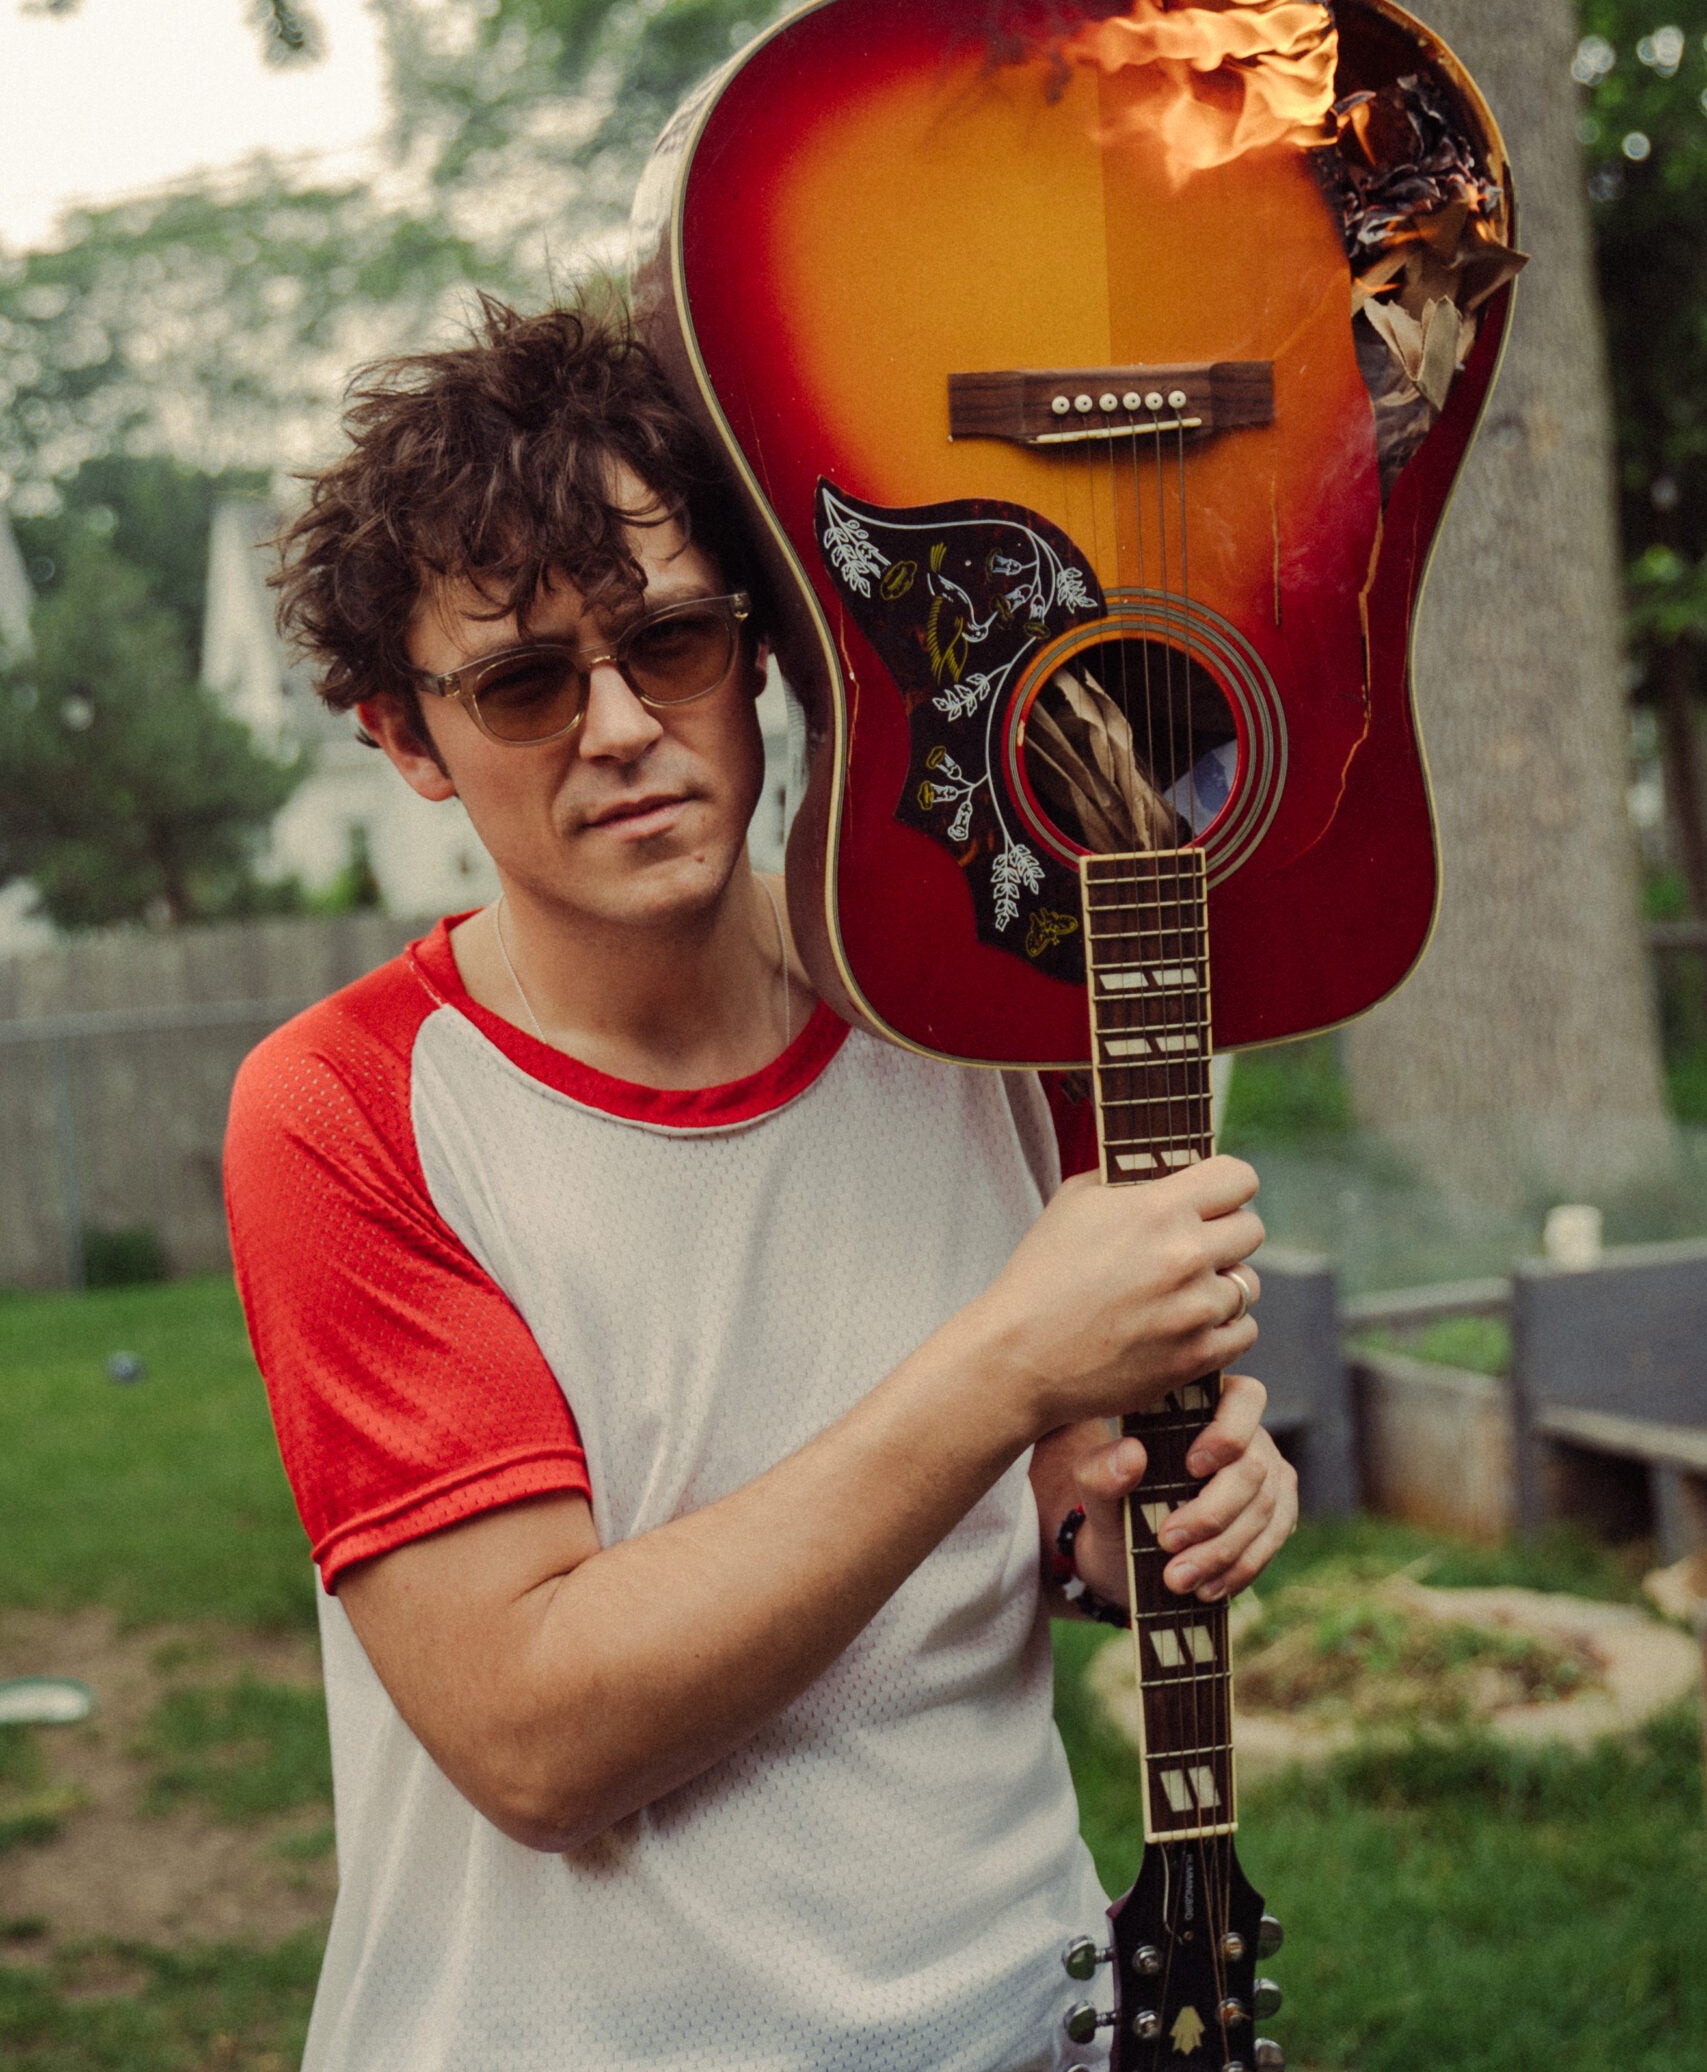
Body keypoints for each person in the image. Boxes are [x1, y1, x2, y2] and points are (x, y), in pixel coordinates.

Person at [225, 298, 1297, 2072]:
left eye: (674, 642)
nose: (624, 725)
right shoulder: (346, 1110)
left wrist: (1138, 1517)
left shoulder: (991, 1021)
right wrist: (1009, 1366)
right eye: (523, 683)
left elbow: (1041, 1520)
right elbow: (535, 1740)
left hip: (1029, 2028)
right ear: (405, 740)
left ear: (774, 649)